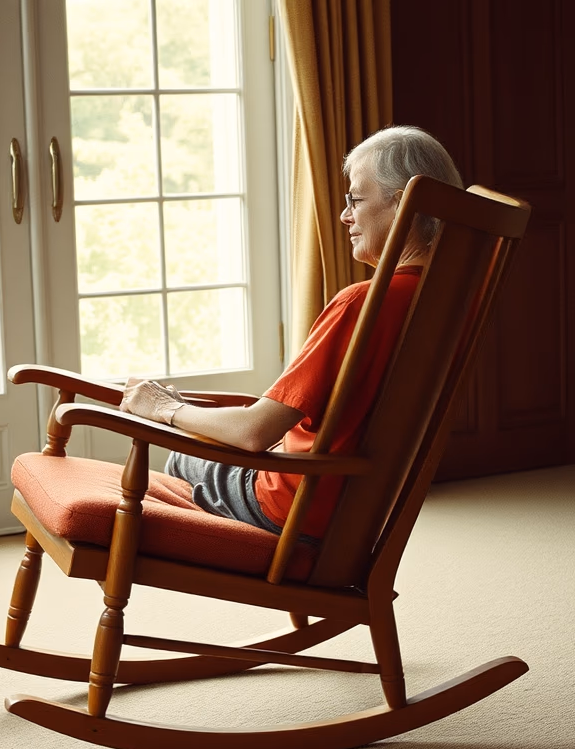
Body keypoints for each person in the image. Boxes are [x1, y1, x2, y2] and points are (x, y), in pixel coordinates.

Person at [120, 125, 464, 541]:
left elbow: (254, 432)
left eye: (355, 199)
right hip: (362, 513)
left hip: (293, 509)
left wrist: (165, 408)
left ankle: (219, 549)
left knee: (182, 456)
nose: (345, 216)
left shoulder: (362, 304)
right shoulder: (453, 301)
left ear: (404, 202)